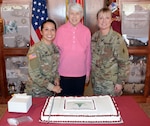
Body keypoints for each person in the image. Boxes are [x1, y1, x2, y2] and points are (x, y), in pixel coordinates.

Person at [54, 3, 91, 96]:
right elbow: (54, 54)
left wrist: (87, 73)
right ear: (67, 14)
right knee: (62, 104)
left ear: (81, 16)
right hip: (63, 74)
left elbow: (88, 54)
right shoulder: (60, 30)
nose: (74, 16)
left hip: (80, 74)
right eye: (72, 13)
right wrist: (55, 75)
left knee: (77, 104)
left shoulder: (86, 31)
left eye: (77, 13)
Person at [91, 7, 129, 96]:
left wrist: (120, 82)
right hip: (96, 83)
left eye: (107, 18)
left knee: (112, 108)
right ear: (97, 20)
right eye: (101, 18)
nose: (104, 21)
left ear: (111, 20)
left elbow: (124, 62)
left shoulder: (117, 39)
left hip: (111, 85)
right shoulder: (95, 37)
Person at [25, 19, 62, 97]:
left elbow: (55, 68)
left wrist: (56, 78)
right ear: (41, 32)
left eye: (52, 30)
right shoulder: (34, 50)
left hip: (50, 91)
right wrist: (52, 87)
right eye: (46, 29)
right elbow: (34, 74)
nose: (50, 33)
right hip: (37, 92)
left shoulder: (55, 48)